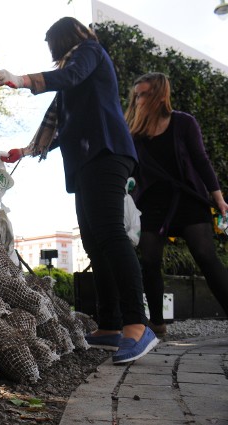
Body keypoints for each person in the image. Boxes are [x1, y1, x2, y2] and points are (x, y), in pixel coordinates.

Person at [0, 16, 158, 364]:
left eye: (52, 43)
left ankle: (137, 325)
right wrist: (27, 150)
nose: (52, 51)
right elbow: (63, 122)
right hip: (87, 161)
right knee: (96, 243)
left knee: (111, 234)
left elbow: (69, 77)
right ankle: (110, 324)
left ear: (63, 39)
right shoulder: (77, 72)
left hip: (107, 153)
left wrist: (20, 80)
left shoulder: (89, 53)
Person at [125, 72, 228, 337]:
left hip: (187, 199)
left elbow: (201, 160)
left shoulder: (183, 122)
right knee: (149, 261)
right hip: (151, 203)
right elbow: (131, 170)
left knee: (206, 257)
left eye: (145, 94)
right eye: (136, 95)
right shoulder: (133, 133)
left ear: (160, 96)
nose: (139, 100)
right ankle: (157, 324)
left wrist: (218, 198)